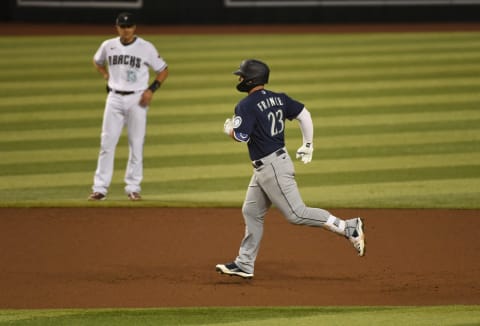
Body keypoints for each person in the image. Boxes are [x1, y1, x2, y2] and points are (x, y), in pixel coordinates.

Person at [216, 59, 365, 279]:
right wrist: (308, 144)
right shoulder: (279, 98)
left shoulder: (245, 105)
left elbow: (240, 136)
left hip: (272, 167)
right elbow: (304, 114)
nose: (239, 79)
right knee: (251, 212)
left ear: (250, 79)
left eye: (241, 75)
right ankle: (245, 264)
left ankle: (348, 227)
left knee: (297, 213)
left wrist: (229, 128)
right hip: (269, 166)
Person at [88, 12, 168, 201]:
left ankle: (133, 187)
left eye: (129, 26)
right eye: (123, 27)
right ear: (117, 27)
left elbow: (163, 70)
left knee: (136, 143)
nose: (126, 30)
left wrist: (151, 90)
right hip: (114, 98)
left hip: (137, 99)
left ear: (134, 27)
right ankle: (100, 188)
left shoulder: (145, 47)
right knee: (106, 144)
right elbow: (97, 61)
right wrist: (106, 75)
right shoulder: (108, 45)